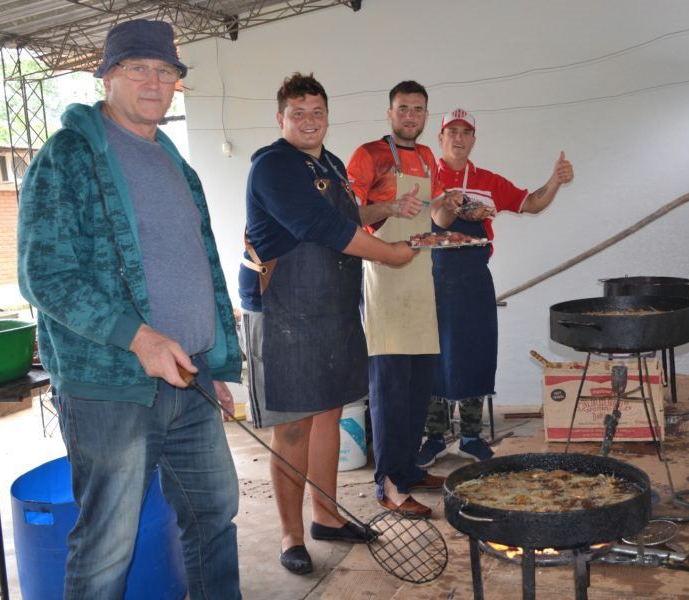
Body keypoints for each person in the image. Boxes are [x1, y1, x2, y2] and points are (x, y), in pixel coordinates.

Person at [16, 19, 243, 599]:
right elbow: (44, 274)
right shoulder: (67, 156)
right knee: (107, 544)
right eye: (137, 68)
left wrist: (213, 361)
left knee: (215, 517)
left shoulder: (174, 162)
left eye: (165, 71)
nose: (153, 81)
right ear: (108, 77)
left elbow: (201, 269)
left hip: (188, 377)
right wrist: (138, 337)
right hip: (110, 387)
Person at [239, 73, 416, 575]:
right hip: (285, 309)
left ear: (327, 116)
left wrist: (385, 209)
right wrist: (391, 254)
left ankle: (327, 516)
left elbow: (347, 212)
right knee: (293, 424)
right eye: (299, 113)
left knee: (329, 413)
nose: (310, 121)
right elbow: (322, 227)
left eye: (317, 112)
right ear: (281, 119)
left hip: (333, 305)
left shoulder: (330, 163)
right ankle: (291, 534)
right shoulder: (273, 165)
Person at [416, 108, 575, 467]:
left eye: (466, 132)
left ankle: (471, 436)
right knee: (431, 356)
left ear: (473, 139)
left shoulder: (488, 180)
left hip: (473, 280)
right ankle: (435, 437)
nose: (458, 138)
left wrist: (555, 181)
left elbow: (531, 204)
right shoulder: (423, 179)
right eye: (451, 132)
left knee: (476, 352)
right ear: (440, 138)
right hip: (429, 279)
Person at [346, 81, 461, 519]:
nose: (410, 116)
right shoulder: (369, 154)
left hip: (420, 280)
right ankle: (388, 485)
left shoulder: (429, 157)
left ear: (426, 116)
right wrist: (388, 209)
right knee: (390, 391)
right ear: (389, 112)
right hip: (384, 280)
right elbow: (348, 214)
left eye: (418, 109)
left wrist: (450, 206)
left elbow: (433, 216)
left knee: (417, 390)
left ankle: (408, 469)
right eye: (402, 108)